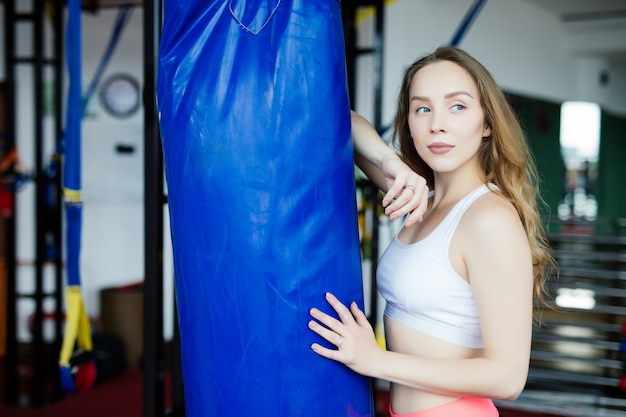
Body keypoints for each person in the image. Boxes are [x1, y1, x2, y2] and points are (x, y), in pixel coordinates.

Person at [309, 46, 555, 417]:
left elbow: (508, 377)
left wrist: (376, 361)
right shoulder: (421, 199)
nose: (436, 123)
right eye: (422, 108)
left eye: (457, 106)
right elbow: (344, 121)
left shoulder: (489, 218)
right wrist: (390, 161)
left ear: (487, 123)